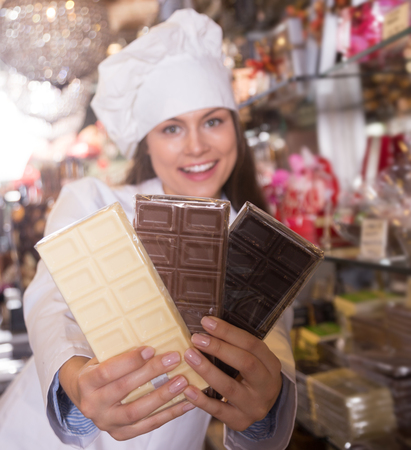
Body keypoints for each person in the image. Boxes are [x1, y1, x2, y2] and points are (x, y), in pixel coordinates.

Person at [0, 9, 296, 450]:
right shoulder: (94, 200)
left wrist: (265, 406)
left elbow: (274, 341)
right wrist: (75, 380)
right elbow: (52, 301)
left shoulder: (256, 238)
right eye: (172, 128)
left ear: (235, 127)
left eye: (213, 120)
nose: (197, 145)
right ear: (147, 141)